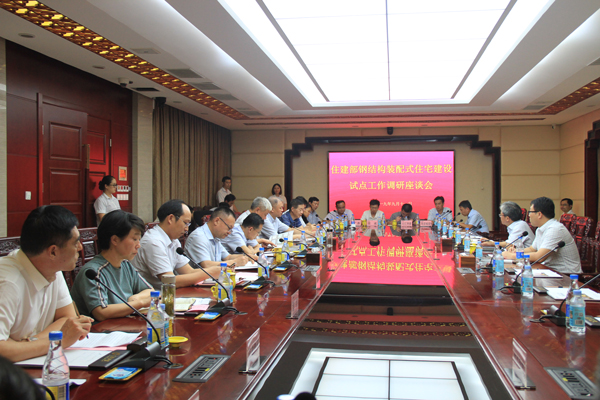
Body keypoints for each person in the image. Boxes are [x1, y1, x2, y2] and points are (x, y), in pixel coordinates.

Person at [0, 206, 93, 362]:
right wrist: (58, 341)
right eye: (75, 242)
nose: (80, 247)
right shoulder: (7, 283)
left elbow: (67, 318)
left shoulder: (52, 268)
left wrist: (31, 343)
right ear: (53, 252)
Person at [71, 210, 153, 321]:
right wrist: (140, 303)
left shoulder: (125, 265)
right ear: (115, 240)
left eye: (139, 240)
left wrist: (136, 297)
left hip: (123, 325)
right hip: (100, 329)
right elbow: (101, 312)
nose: (138, 245)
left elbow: (150, 291)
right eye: (134, 239)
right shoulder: (93, 272)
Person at [132, 200, 220, 289]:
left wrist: (217, 270)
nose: (187, 229)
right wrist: (211, 273)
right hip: (152, 295)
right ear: (170, 219)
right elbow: (169, 281)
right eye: (185, 223)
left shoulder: (173, 240)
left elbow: (189, 272)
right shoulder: (153, 242)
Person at [503, 197, 581, 274]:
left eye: (530, 212)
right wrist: (517, 251)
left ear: (539, 214)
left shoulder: (555, 229)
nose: (529, 215)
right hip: (548, 271)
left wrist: (511, 256)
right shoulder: (540, 229)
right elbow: (532, 249)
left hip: (566, 275)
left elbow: (539, 257)